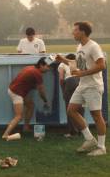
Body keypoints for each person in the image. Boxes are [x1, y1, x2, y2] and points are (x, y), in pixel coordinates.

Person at [56, 21, 106, 156]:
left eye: (75, 30)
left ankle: (101, 147)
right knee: (71, 110)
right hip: (82, 85)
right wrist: (63, 60)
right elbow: (78, 64)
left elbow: (102, 65)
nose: (73, 32)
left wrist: (82, 73)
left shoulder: (94, 46)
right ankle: (89, 139)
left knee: (97, 116)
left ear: (83, 32)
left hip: (93, 86)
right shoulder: (79, 46)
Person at [2, 57, 50, 139]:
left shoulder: (30, 67)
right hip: (16, 93)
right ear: (41, 65)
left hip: (15, 90)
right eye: (47, 66)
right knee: (18, 116)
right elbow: (41, 91)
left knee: (30, 105)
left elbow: (28, 82)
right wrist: (45, 101)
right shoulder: (37, 74)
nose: (49, 69)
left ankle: (26, 127)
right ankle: (5, 134)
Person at [17, 27, 46, 132]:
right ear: (26, 35)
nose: (30, 38)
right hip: (26, 71)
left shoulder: (40, 41)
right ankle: (24, 125)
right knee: (27, 100)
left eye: (32, 36)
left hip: (33, 71)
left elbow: (43, 55)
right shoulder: (22, 41)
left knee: (29, 101)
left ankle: (25, 125)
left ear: (35, 35)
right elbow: (18, 54)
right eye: (28, 36)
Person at [58, 53, 84, 137]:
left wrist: (63, 90)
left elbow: (61, 79)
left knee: (70, 108)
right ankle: (82, 130)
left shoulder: (62, 64)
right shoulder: (77, 63)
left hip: (69, 82)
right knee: (80, 107)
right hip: (80, 81)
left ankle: (71, 131)